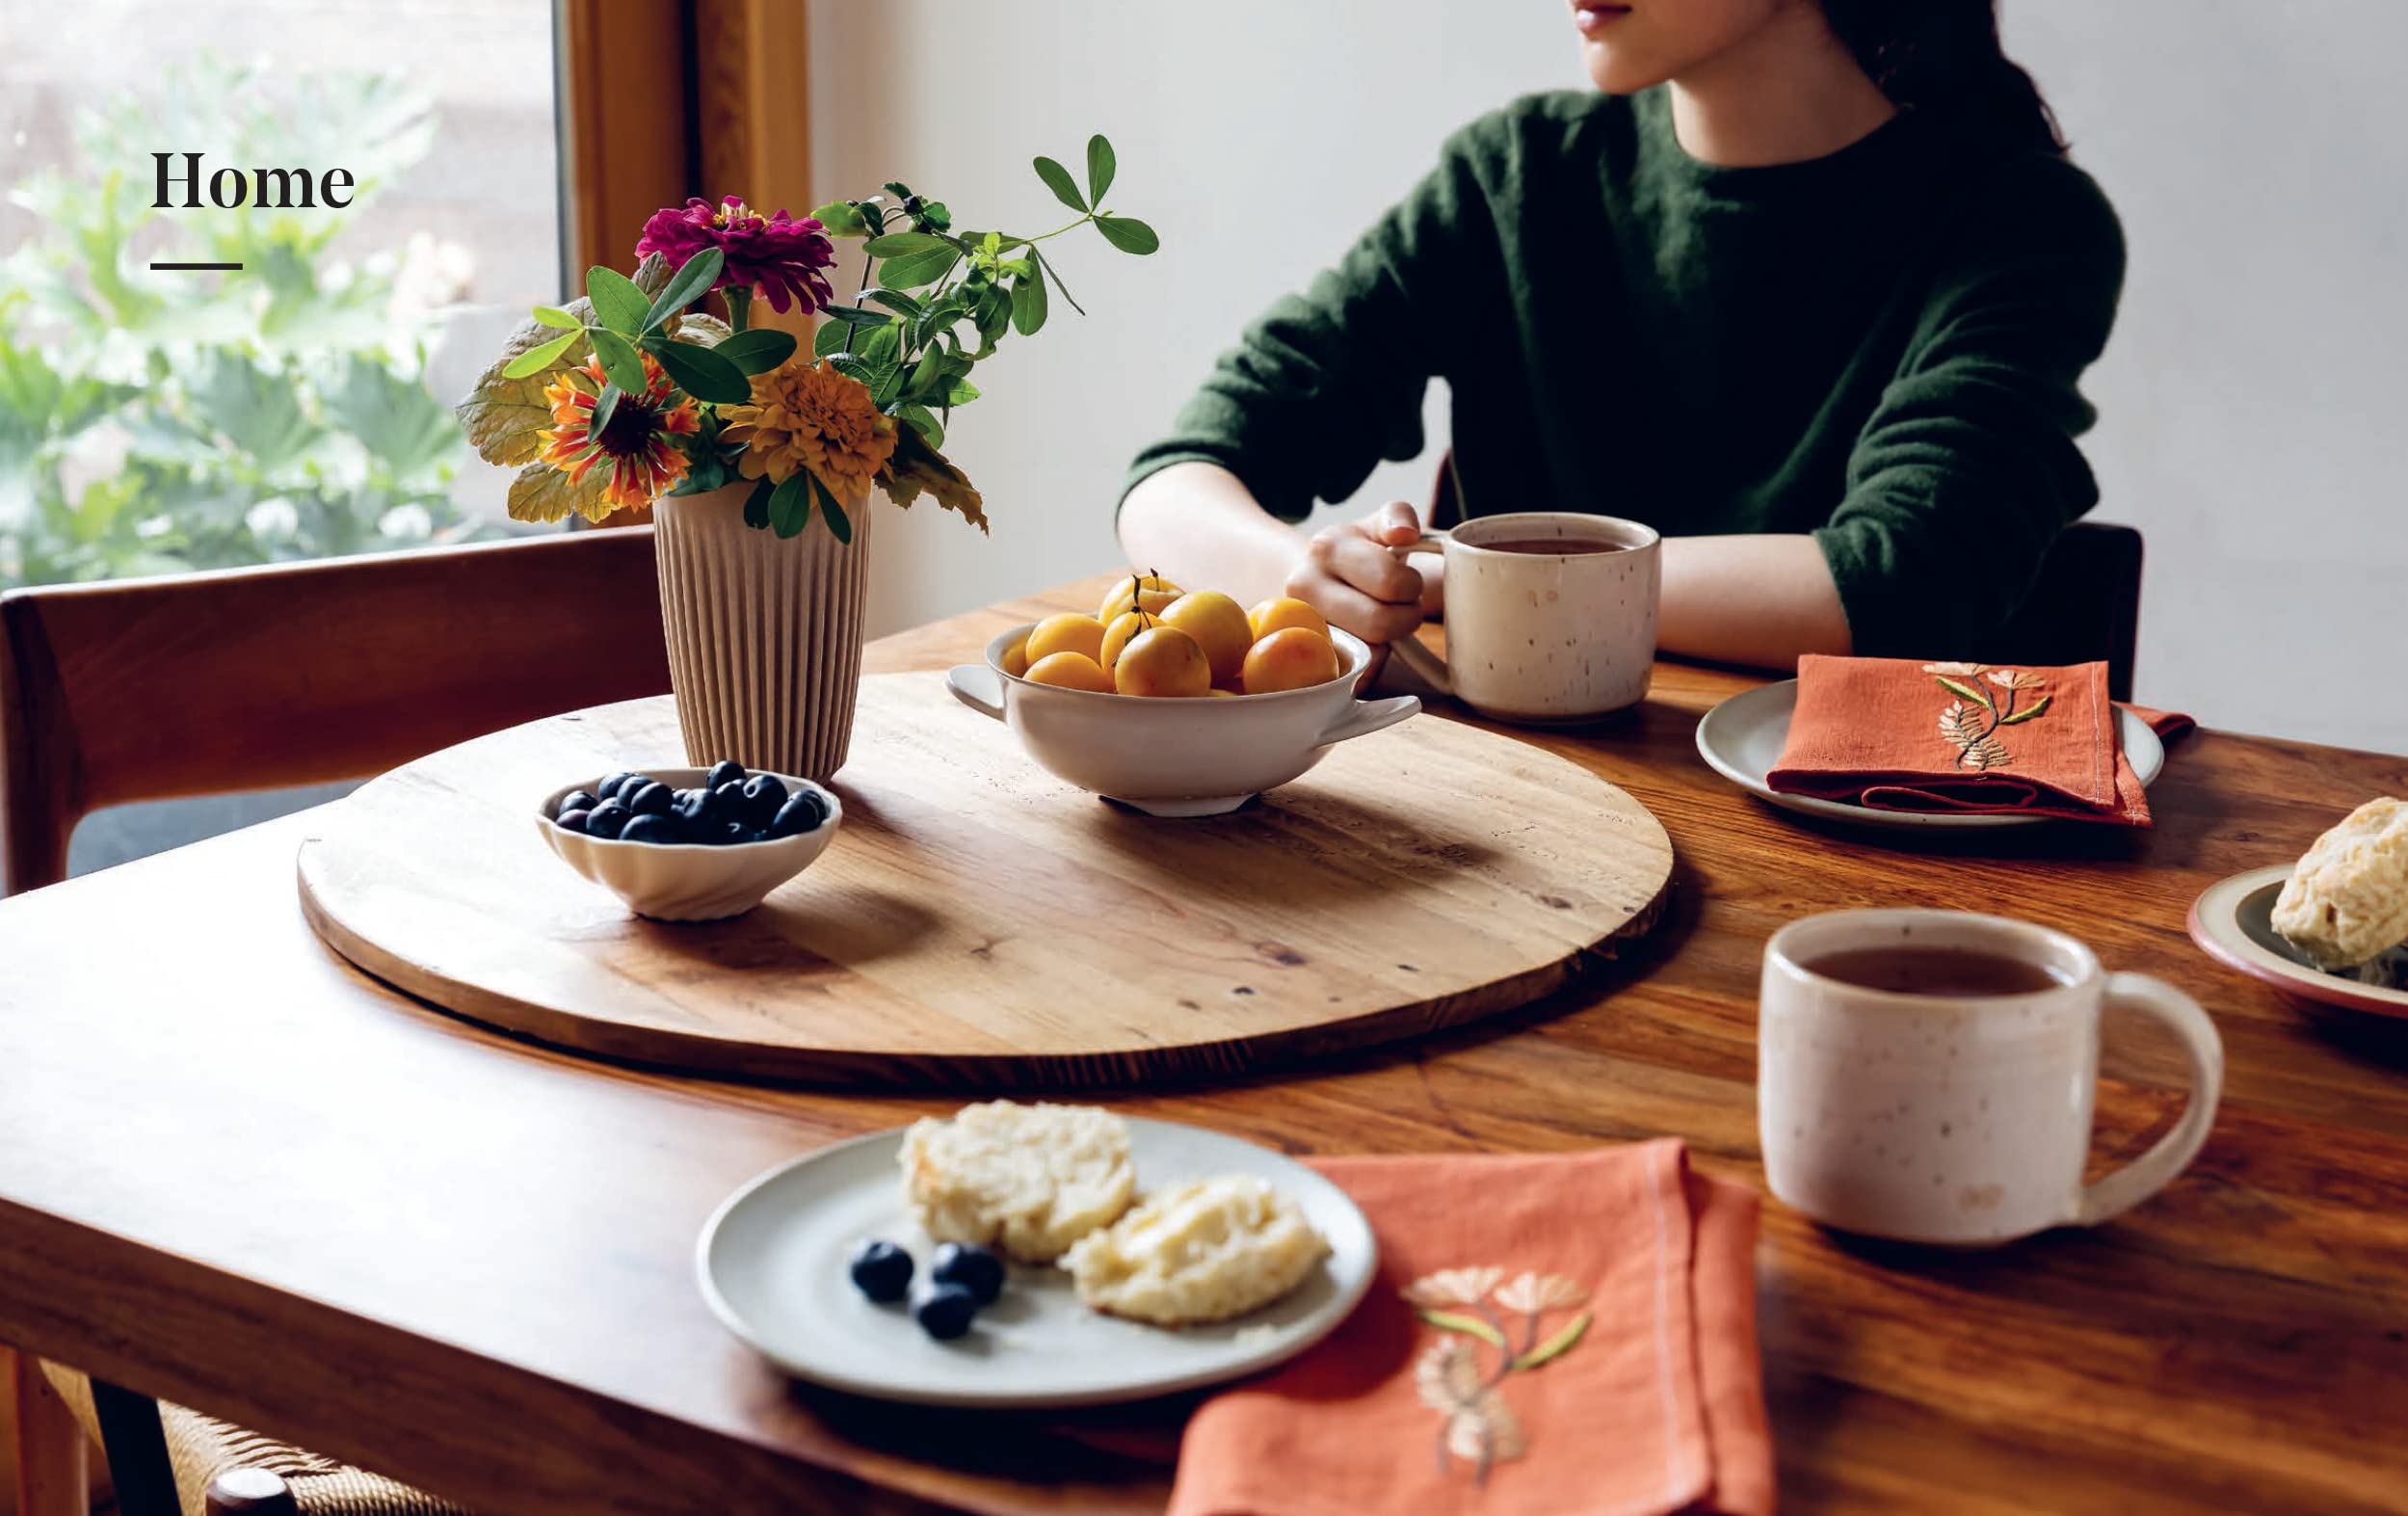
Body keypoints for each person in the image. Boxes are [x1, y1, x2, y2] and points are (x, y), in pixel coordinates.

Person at [1117, 0, 2123, 675]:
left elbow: (1899, 576)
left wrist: (1441, 581)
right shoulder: (1518, 173)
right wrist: (1309, 579)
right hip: (1510, 824)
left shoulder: (2019, 222)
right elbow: (1176, 476)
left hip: (1847, 861)